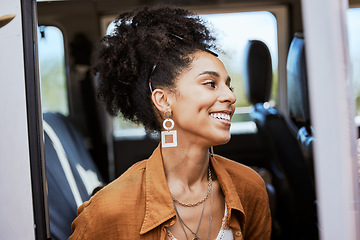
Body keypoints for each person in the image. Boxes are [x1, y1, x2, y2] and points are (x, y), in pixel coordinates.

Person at [69, 6, 271, 240]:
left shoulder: (250, 188)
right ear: (163, 100)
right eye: (210, 83)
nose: (231, 97)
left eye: (229, 85)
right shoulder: (107, 212)